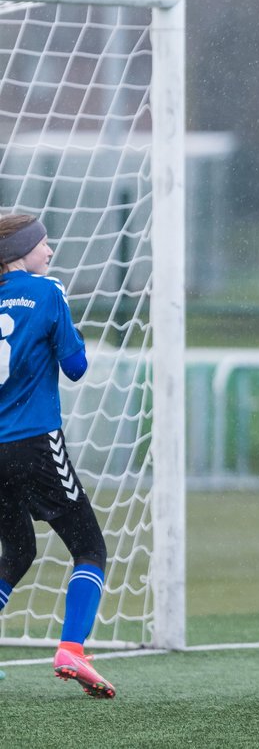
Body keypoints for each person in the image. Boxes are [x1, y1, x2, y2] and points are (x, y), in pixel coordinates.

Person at [0, 214, 113, 698]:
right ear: (23, 252)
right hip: (35, 442)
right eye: (44, 244)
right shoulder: (48, 293)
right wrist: (65, 320)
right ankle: (72, 648)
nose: (50, 251)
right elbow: (76, 367)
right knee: (90, 548)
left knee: (19, 550)